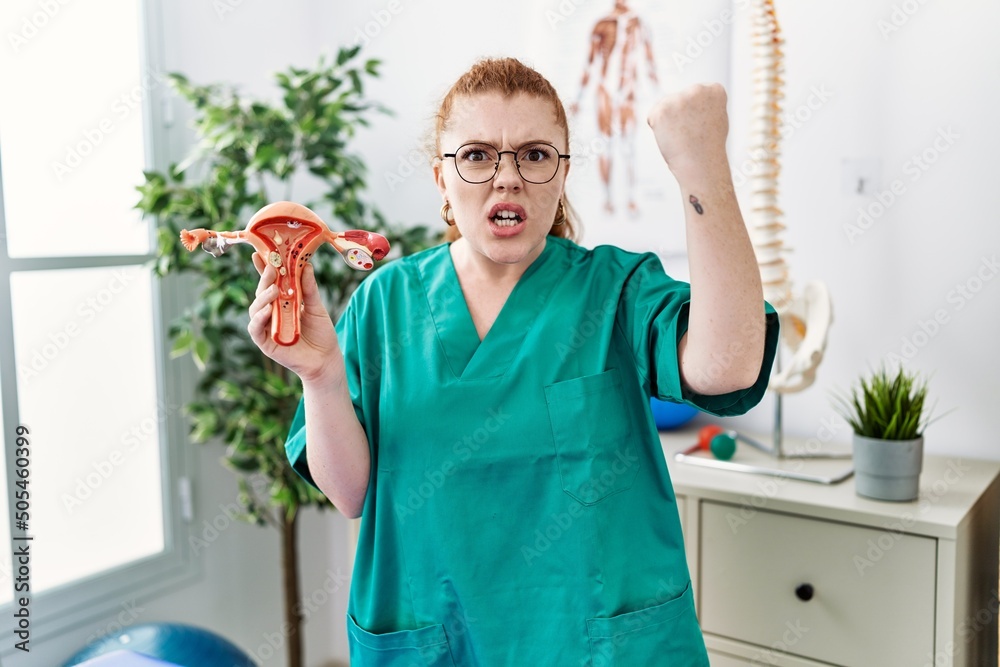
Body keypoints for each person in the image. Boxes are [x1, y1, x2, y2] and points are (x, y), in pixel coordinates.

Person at [248, 57, 778, 666]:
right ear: (441, 178)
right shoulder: (385, 305)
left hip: (599, 649)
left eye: (534, 155)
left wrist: (702, 164)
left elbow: (729, 366)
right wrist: (320, 374)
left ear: (562, 173)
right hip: (438, 643)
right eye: (476, 155)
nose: (507, 179)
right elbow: (352, 494)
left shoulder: (616, 290)